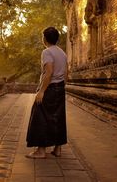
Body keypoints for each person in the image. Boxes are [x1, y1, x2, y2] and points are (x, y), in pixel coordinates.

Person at [26, 27, 68, 159]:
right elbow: (67, 72)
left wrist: (41, 91)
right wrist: (61, 86)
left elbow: (48, 72)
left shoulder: (47, 52)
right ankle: (57, 148)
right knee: (58, 117)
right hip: (60, 87)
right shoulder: (62, 53)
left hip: (50, 87)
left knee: (40, 116)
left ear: (45, 38)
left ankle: (41, 150)